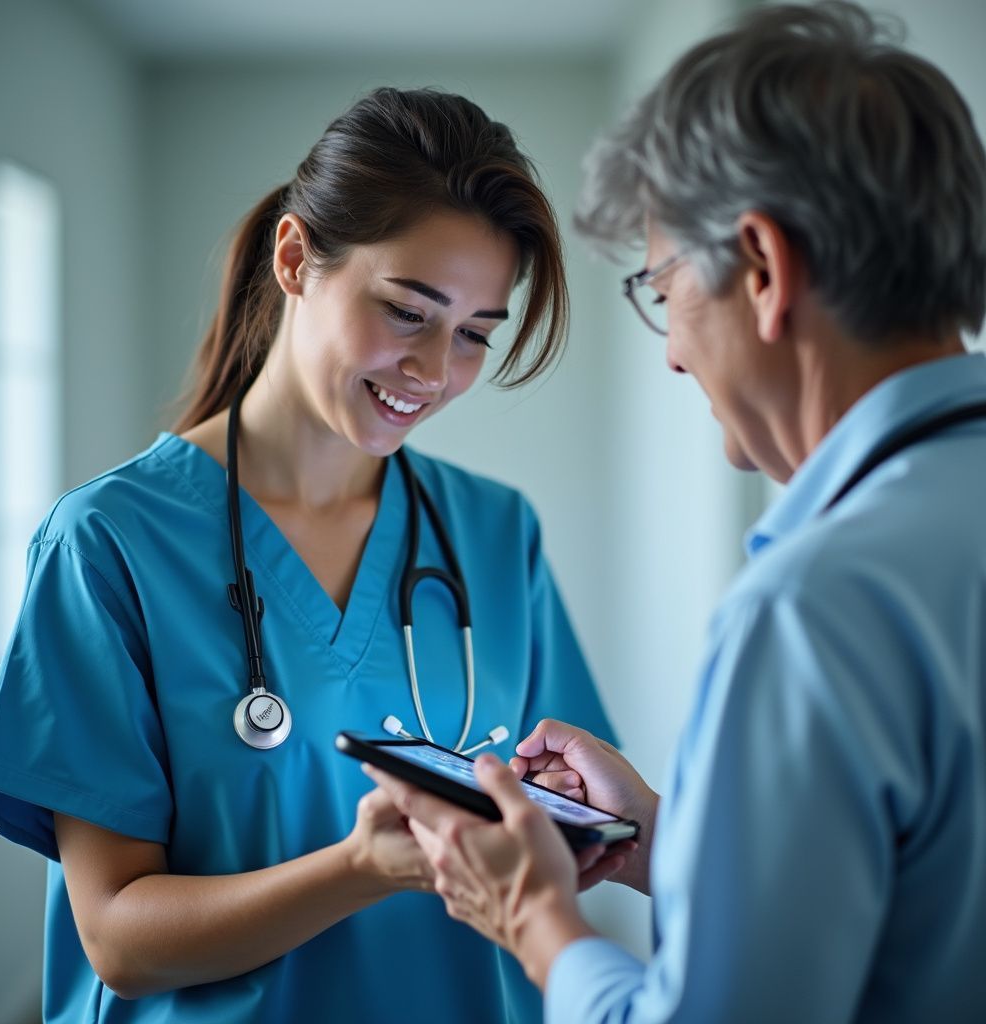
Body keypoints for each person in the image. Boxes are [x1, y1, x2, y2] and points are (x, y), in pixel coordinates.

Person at [369, 4, 986, 1022]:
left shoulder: (813, 607)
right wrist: (667, 840)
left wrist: (535, 917)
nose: (670, 351)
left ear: (761, 269)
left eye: (663, 289)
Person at [0, 87, 618, 1024]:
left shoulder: (495, 533)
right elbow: (116, 938)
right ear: (295, 258)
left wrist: (555, 814)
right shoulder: (110, 543)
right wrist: (361, 869)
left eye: (475, 334)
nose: (435, 371)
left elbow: (566, 832)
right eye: (407, 311)